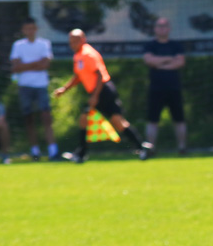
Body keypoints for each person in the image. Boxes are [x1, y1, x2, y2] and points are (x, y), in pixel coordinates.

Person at [53, 29, 153, 163]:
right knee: (93, 120)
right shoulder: (78, 56)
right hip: (97, 92)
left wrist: (95, 96)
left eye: (76, 41)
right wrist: (65, 89)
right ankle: (81, 154)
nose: (73, 44)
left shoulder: (88, 54)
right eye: (71, 42)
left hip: (103, 91)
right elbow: (78, 76)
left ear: (83, 40)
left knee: (116, 122)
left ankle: (142, 147)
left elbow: (100, 75)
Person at [10, 17, 61, 161]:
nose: (30, 31)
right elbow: (15, 67)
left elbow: (45, 64)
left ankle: (52, 151)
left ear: (36, 29)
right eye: (27, 28)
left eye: (32, 28)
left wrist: (25, 65)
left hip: (41, 85)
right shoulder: (18, 45)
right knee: (29, 119)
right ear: (23, 30)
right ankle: (35, 151)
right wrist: (35, 64)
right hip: (25, 86)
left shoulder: (44, 44)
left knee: (46, 118)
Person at [143, 17, 187, 154]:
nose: (162, 28)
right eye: (159, 26)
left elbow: (180, 62)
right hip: (156, 88)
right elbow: (149, 60)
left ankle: (182, 148)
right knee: (153, 120)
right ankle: (151, 148)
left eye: (165, 26)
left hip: (174, 88)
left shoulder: (176, 45)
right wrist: (169, 59)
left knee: (179, 119)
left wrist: (160, 64)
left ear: (169, 28)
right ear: (155, 29)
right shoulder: (150, 45)